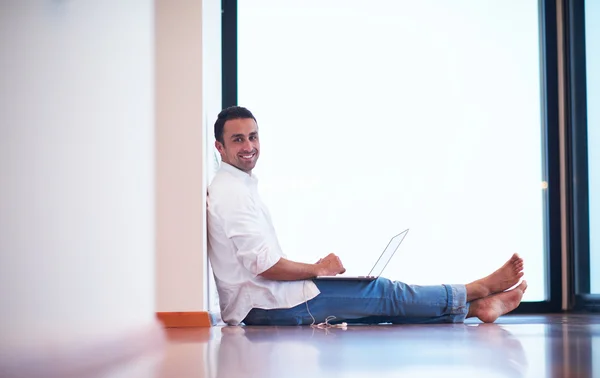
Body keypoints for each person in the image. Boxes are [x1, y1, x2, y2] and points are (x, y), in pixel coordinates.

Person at [207, 106, 528, 326]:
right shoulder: (231, 193)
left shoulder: (239, 185)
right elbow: (264, 265)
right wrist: (318, 269)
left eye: (253, 136)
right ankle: (477, 289)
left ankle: (478, 308)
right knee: (382, 293)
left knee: (376, 304)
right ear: (219, 148)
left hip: (267, 302)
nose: (249, 145)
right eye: (238, 139)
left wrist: (314, 272)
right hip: (266, 306)